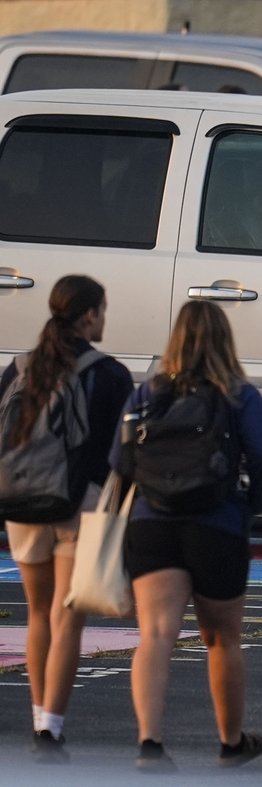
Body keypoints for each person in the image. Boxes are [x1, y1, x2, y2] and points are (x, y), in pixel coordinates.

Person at [116, 301, 262, 771]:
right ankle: (230, 743)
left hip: (152, 522)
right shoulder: (240, 395)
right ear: (225, 341)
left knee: (155, 633)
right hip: (217, 523)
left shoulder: (146, 394)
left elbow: (120, 462)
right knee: (222, 638)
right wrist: (247, 507)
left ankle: (150, 744)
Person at [1, 275, 131, 763]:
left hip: (22, 500)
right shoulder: (110, 374)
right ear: (90, 315)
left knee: (37, 613)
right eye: (103, 310)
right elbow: (122, 450)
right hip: (82, 504)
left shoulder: (19, 368)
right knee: (66, 616)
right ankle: (50, 730)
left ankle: (38, 715)